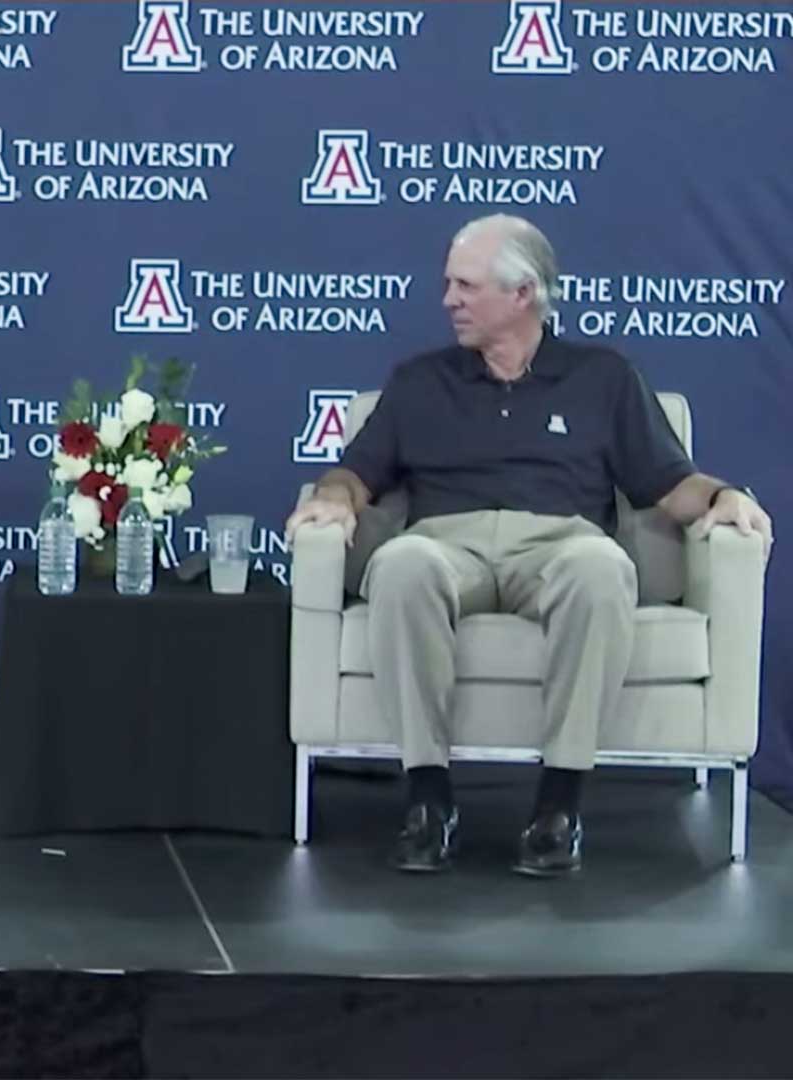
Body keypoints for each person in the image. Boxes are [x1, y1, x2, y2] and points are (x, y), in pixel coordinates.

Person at [285, 214, 772, 878]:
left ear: (524, 295)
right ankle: (429, 801)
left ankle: (558, 807)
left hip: (559, 545)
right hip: (445, 544)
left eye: (466, 286)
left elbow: (668, 483)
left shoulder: (603, 376)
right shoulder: (420, 380)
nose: (449, 300)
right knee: (399, 565)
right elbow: (356, 472)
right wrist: (332, 501)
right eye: (449, 284)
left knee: (602, 568)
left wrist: (722, 498)